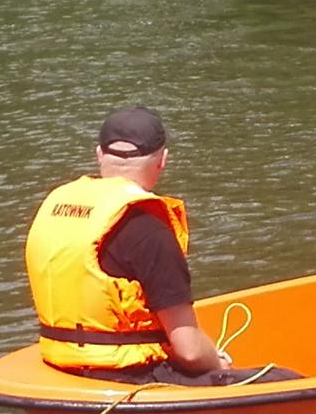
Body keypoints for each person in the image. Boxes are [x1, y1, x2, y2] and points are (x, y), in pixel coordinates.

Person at [25, 106, 297, 386]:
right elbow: (189, 351)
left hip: (62, 367)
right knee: (284, 380)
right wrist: (218, 362)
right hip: (129, 376)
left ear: (99, 154)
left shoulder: (56, 208)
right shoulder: (147, 231)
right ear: (163, 160)